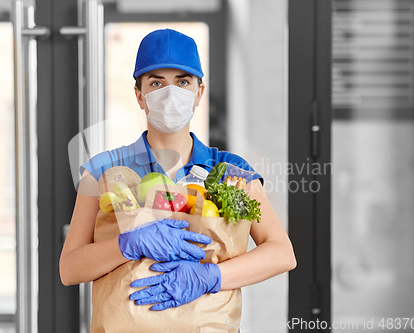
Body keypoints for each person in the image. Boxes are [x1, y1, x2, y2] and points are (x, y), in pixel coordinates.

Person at [59, 28, 296, 314]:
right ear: (139, 95)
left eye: (182, 82)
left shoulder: (230, 172)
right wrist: (126, 245)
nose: (171, 93)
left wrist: (212, 277)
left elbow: (282, 253)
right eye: (157, 83)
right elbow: (69, 269)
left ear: (199, 93)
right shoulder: (104, 171)